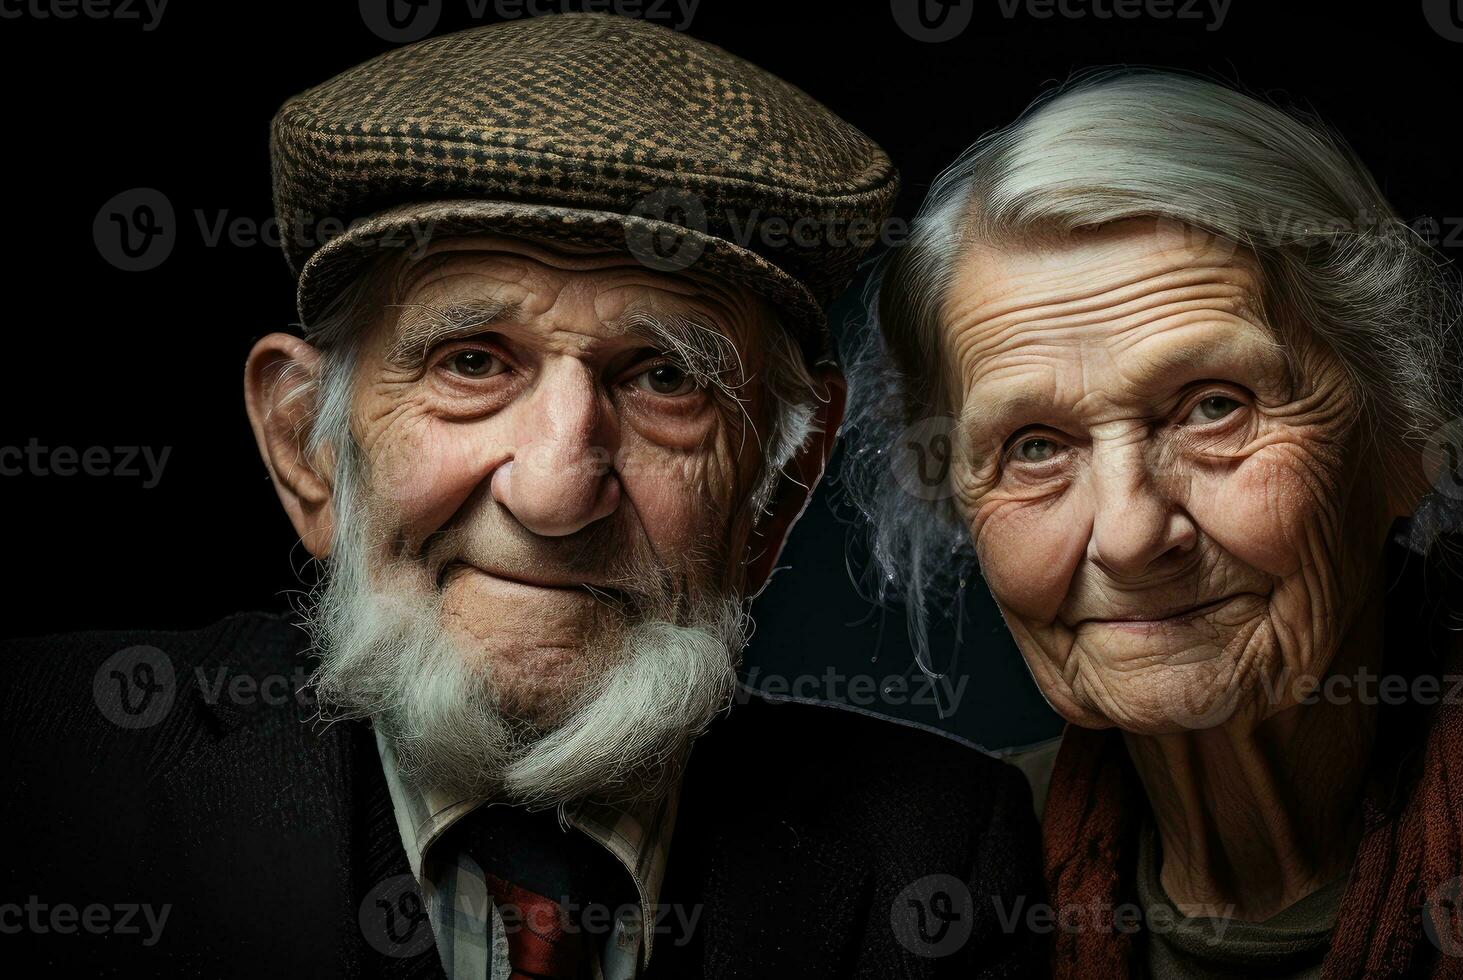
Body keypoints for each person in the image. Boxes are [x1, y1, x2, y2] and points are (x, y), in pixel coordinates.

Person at [0, 16, 1044, 978]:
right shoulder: (44, 765)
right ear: (303, 448)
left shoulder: (939, 853)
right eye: (470, 361)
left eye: (664, 379)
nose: (554, 492)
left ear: (776, 491)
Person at [843, 69, 1463, 978]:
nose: (1126, 535)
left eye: (1212, 408)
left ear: (1406, 432)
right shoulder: (950, 883)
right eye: (1034, 446)